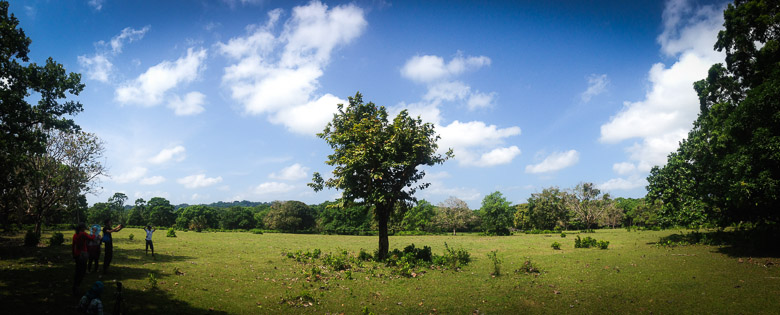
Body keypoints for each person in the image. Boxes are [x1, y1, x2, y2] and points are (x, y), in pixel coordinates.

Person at [72, 222, 96, 296]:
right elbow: (91, 238)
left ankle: (75, 286)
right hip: (83, 254)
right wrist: (94, 232)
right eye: (84, 228)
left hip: (77, 254)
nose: (85, 229)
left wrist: (73, 254)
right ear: (82, 228)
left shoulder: (75, 235)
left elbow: (73, 245)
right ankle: (77, 287)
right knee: (82, 272)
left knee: (78, 271)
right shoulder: (83, 234)